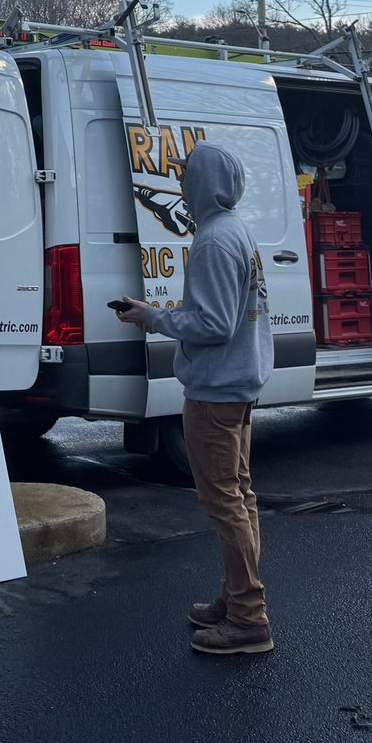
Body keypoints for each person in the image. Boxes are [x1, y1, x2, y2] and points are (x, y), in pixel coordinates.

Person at [117, 143, 273, 656]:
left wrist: (153, 317)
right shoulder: (238, 231)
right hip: (238, 385)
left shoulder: (211, 241)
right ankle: (235, 601)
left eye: (186, 176)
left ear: (203, 184)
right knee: (239, 496)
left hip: (213, 391)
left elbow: (212, 324)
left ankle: (249, 619)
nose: (180, 183)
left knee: (223, 502)